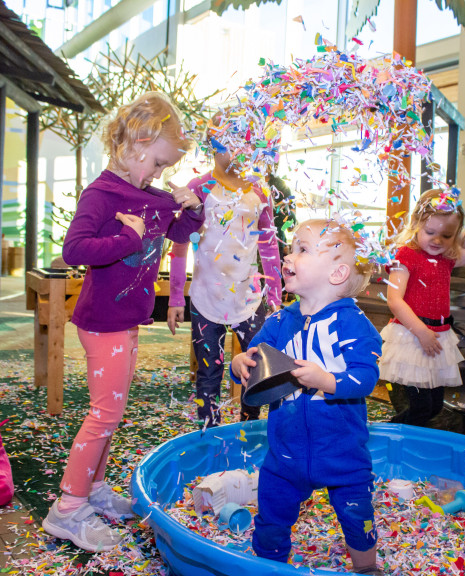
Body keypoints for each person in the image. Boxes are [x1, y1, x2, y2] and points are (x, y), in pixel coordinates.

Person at [42, 92, 204, 553]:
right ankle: (68, 508)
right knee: (103, 415)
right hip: (102, 322)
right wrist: (126, 236)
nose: (159, 174)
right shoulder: (103, 193)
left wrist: (191, 208)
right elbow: (75, 250)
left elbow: (177, 232)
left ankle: (92, 490)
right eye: (156, 162)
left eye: (165, 167)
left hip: (128, 320)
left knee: (110, 414)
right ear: (136, 142)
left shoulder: (150, 195)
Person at [231, 219, 383, 575]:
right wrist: (241, 361)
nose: (288, 255)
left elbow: (366, 378)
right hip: (286, 451)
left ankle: (366, 567)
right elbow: (255, 356)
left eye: (301, 249)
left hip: (342, 451)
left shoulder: (354, 323)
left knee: (357, 515)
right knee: (271, 513)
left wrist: (326, 380)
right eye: (291, 247)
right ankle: (270, 565)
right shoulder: (281, 319)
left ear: (337, 272)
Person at [167, 132, 282, 428]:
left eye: (245, 144)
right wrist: (177, 297)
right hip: (207, 297)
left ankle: (249, 428)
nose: (238, 152)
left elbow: (269, 245)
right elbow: (180, 245)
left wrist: (275, 297)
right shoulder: (199, 187)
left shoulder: (260, 191)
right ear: (213, 148)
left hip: (248, 297)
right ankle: (210, 434)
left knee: (255, 368)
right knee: (208, 372)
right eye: (229, 146)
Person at [379, 188, 465, 427]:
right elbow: (395, 300)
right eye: (430, 232)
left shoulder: (447, 258)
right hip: (413, 335)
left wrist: (453, 228)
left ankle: (394, 427)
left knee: (434, 406)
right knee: (420, 406)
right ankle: (393, 432)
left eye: (446, 235)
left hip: (438, 336)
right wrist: (420, 332)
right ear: (417, 224)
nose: (437, 240)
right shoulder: (406, 255)